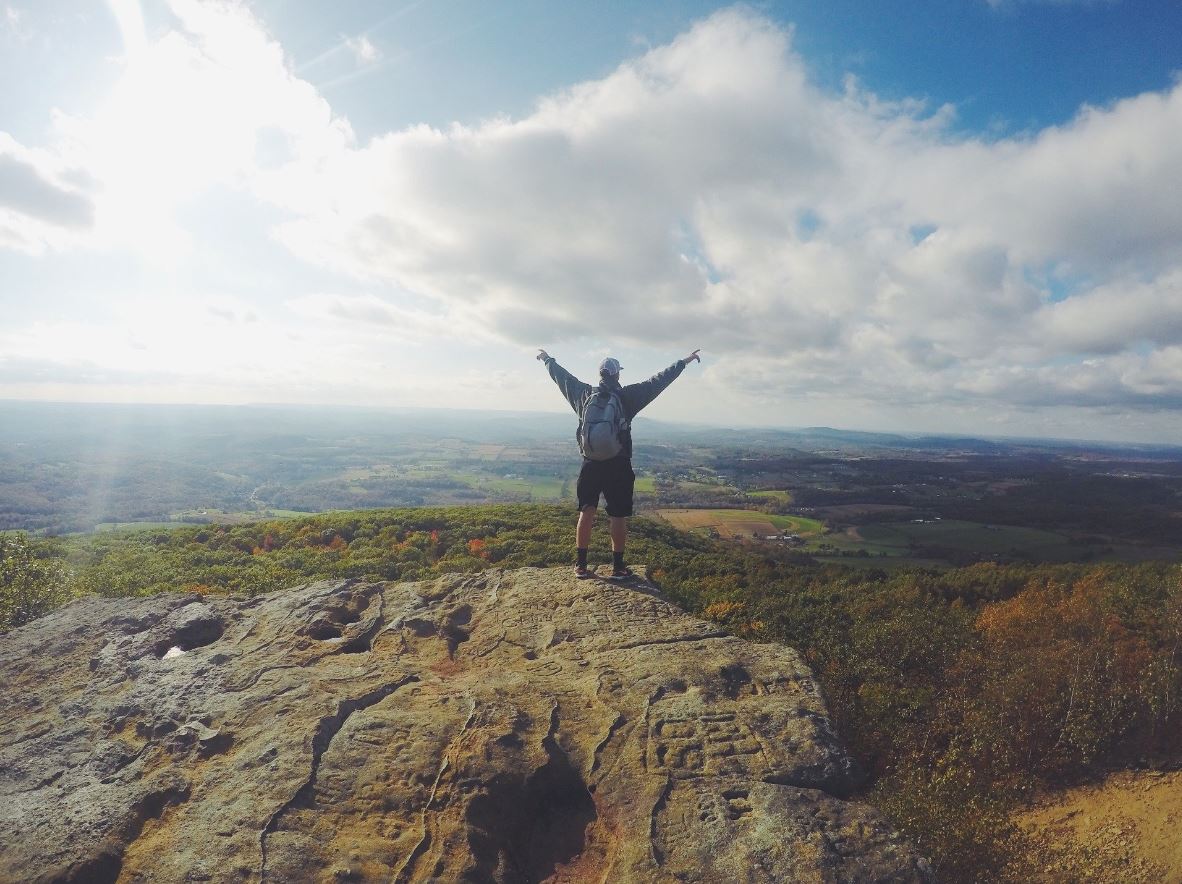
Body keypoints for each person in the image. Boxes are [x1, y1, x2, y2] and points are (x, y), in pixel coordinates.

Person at [536, 348, 701, 579]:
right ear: (617, 375)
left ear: (600, 374)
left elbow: (560, 376)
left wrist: (546, 359)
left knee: (586, 512)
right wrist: (684, 362)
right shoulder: (627, 397)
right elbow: (658, 381)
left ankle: (581, 566)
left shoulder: (583, 394)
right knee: (617, 516)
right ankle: (618, 568)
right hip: (618, 464)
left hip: (590, 463)